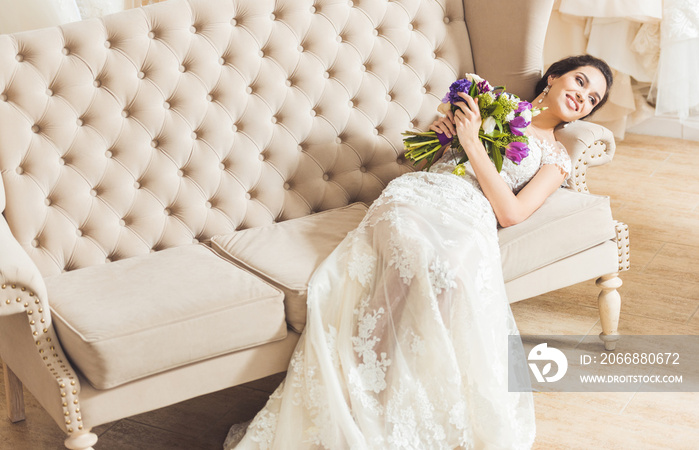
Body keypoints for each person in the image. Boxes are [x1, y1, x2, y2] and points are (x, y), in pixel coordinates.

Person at [224, 55, 613, 450]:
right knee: (412, 256)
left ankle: (385, 399)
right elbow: (423, 160)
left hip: (472, 215)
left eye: (593, 98)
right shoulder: (494, 102)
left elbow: (511, 213)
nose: (583, 97)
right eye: (580, 82)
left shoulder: (557, 157)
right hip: (419, 197)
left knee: (450, 277)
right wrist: (440, 135)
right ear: (553, 77)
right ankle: (355, 396)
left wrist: (472, 143)